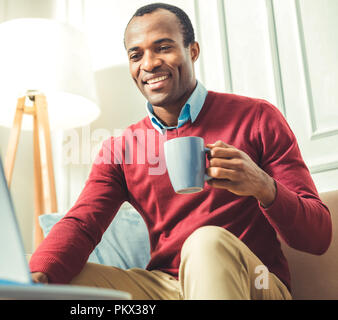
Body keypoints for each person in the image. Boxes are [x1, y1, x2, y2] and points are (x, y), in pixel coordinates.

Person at [28, 3, 332, 299]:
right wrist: (36, 277)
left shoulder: (258, 117)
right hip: (167, 287)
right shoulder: (121, 148)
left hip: (254, 282)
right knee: (64, 283)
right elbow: (82, 224)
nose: (148, 64)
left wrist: (263, 186)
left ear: (193, 51)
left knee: (205, 242)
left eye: (162, 47)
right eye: (136, 55)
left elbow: (317, 236)